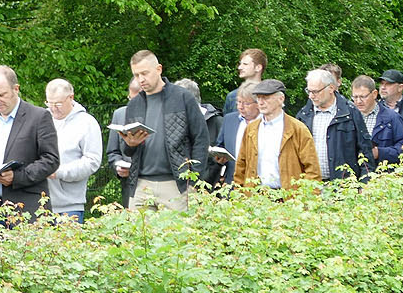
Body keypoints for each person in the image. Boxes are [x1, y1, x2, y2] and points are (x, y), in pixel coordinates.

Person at [107, 50, 208, 212]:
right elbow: (128, 150)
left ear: (159, 69)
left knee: (176, 237)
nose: (141, 79)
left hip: (176, 184)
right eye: (136, 75)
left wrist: (193, 183)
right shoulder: (134, 105)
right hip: (140, 184)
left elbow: (201, 140)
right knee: (139, 236)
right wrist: (130, 145)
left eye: (144, 73)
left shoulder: (182, 97)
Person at [0, 66, 59, 223]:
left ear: (16, 89)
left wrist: (18, 177)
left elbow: (51, 159)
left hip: (28, 209)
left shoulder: (38, 117)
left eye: (1, 95)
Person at [234, 79, 320, 189]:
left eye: (266, 98)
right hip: (256, 199)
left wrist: (307, 201)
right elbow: (241, 166)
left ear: (281, 99)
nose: (260, 102)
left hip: (288, 199)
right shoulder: (251, 129)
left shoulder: (298, 129)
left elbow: (312, 170)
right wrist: (239, 196)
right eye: (258, 98)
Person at [43, 79, 101, 222]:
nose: (53, 108)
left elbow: (92, 161)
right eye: (49, 103)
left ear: (71, 98)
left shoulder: (87, 123)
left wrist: (59, 172)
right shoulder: (41, 119)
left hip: (69, 206)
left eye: (58, 104)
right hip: (40, 203)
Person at [297, 69, 369, 182]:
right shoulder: (303, 115)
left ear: (331, 88)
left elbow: (365, 150)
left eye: (315, 91)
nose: (311, 96)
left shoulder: (350, 113)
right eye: (309, 91)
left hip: (344, 186)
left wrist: (365, 181)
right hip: (311, 186)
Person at [204, 81, 258, 186]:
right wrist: (218, 157)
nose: (240, 107)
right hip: (232, 184)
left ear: (258, 104)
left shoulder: (266, 124)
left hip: (258, 185)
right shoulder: (229, 120)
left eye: (246, 103)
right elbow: (221, 145)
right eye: (238, 102)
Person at [351, 76, 403, 167]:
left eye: (363, 97)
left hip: (383, 176)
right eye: (355, 97)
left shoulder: (392, 118)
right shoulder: (347, 118)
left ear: (374, 94)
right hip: (353, 176)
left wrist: (380, 153)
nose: (358, 101)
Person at [222, 48, 266, 120]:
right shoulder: (232, 97)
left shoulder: (270, 96)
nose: (240, 67)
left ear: (258, 67)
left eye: (245, 64)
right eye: (240, 64)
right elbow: (228, 126)